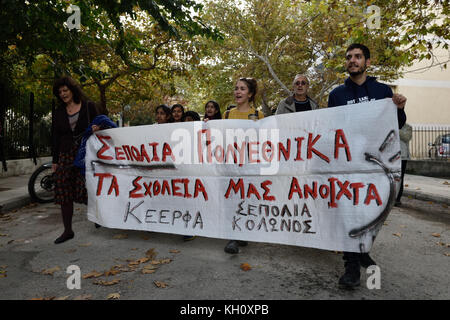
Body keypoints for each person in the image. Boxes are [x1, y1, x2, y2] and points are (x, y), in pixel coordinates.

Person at [327, 43, 407, 289]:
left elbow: (398, 125)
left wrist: (400, 108)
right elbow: (331, 128)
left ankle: (363, 249)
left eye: (358, 57)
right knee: (350, 212)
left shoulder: (383, 91)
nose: (353, 60)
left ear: (367, 62)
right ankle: (351, 264)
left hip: (377, 166)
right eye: (349, 57)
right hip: (348, 164)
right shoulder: (337, 94)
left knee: (373, 213)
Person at [52, 76, 99, 244]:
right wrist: (55, 160)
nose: (63, 94)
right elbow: (55, 136)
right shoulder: (58, 112)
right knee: (63, 190)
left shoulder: (88, 106)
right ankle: (67, 230)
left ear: (72, 90)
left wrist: (97, 128)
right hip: (65, 155)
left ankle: (99, 217)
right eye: (60, 92)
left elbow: (101, 123)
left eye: (65, 90)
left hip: (85, 153)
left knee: (88, 188)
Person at [224, 77, 264, 254]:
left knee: (246, 198)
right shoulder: (228, 114)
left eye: (242, 89)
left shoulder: (259, 115)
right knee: (233, 197)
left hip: (250, 164)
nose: (237, 92)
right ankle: (233, 236)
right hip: (232, 162)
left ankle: (243, 231)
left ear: (250, 94)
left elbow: (264, 140)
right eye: (236, 88)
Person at [396, 123, 412, 206]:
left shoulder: (408, 127)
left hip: (403, 157)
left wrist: (396, 129)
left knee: (400, 178)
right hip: (391, 156)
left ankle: (397, 198)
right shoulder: (389, 123)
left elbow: (407, 137)